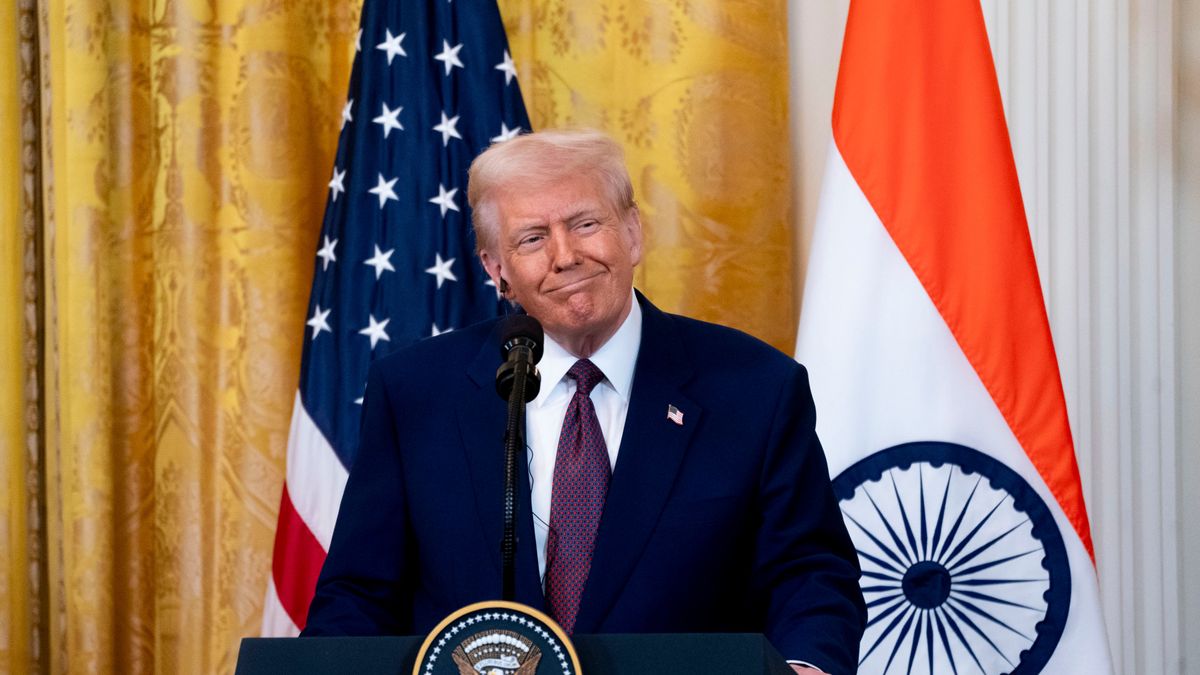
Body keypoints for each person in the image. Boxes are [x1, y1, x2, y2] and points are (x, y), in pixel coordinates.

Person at [301, 129, 866, 674]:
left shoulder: (755, 387)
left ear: (633, 233)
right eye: (532, 239)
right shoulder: (417, 392)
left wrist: (806, 666)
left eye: (585, 224)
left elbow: (809, 573)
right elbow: (359, 594)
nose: (565, 256)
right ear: (498, 271)